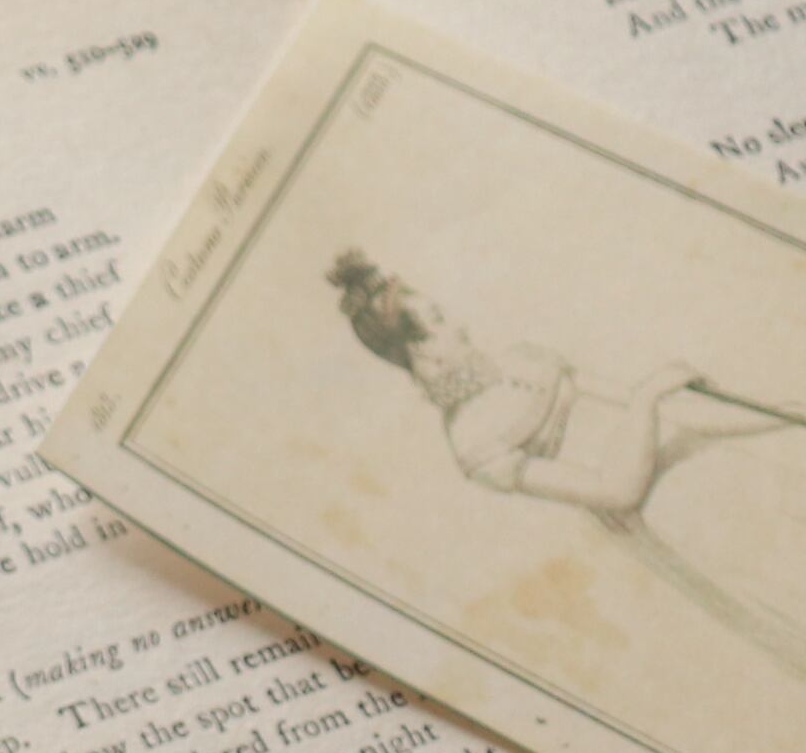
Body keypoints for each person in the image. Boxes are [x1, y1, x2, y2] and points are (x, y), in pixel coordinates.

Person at [331, 250, 806, 672]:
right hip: (687, 520)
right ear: (420, 349)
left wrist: (784, 415)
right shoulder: (475, 444)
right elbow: (618, 491)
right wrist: (647, 397)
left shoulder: (522, 359)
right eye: (439, 318)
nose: (459, 323)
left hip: (715, 465)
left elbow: (678, 414)